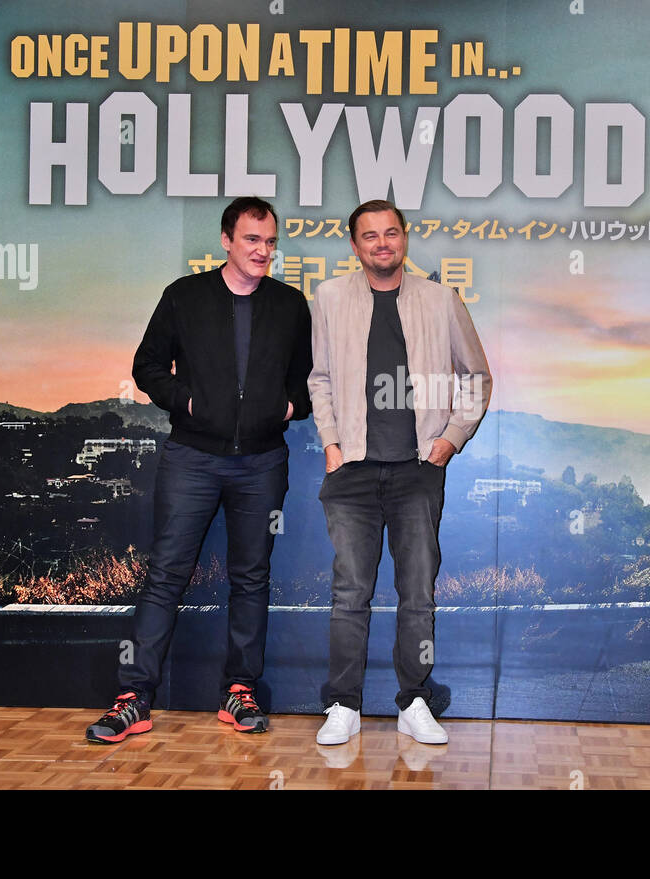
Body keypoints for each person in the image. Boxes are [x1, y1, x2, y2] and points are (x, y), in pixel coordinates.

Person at [86, 197, 312, 742]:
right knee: (166, 574)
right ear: (227, 241)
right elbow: (146, 367)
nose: (263, 251)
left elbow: (306, 380)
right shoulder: (183, 296)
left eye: (270, 242)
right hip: (192, 458)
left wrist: (284, 408)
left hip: (262, 462)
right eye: (252, 240)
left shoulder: (290, 304)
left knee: (251, 578)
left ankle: (239, 692)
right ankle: (134, 698)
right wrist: (187, 404)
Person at [308, 199, 491, 746]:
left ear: (404, 238)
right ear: (354, 244)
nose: (382, 243)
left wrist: (449, 441)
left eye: (391, 233)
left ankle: (414, 700)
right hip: (353, 471)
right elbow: (319, 378)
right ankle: (343, 704)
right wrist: (332, 444)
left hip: (417, 471)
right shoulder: (329, 298)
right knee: (350, 593)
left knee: (418, 592)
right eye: (370, 236)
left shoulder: (441, 300)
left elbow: (476, 376)